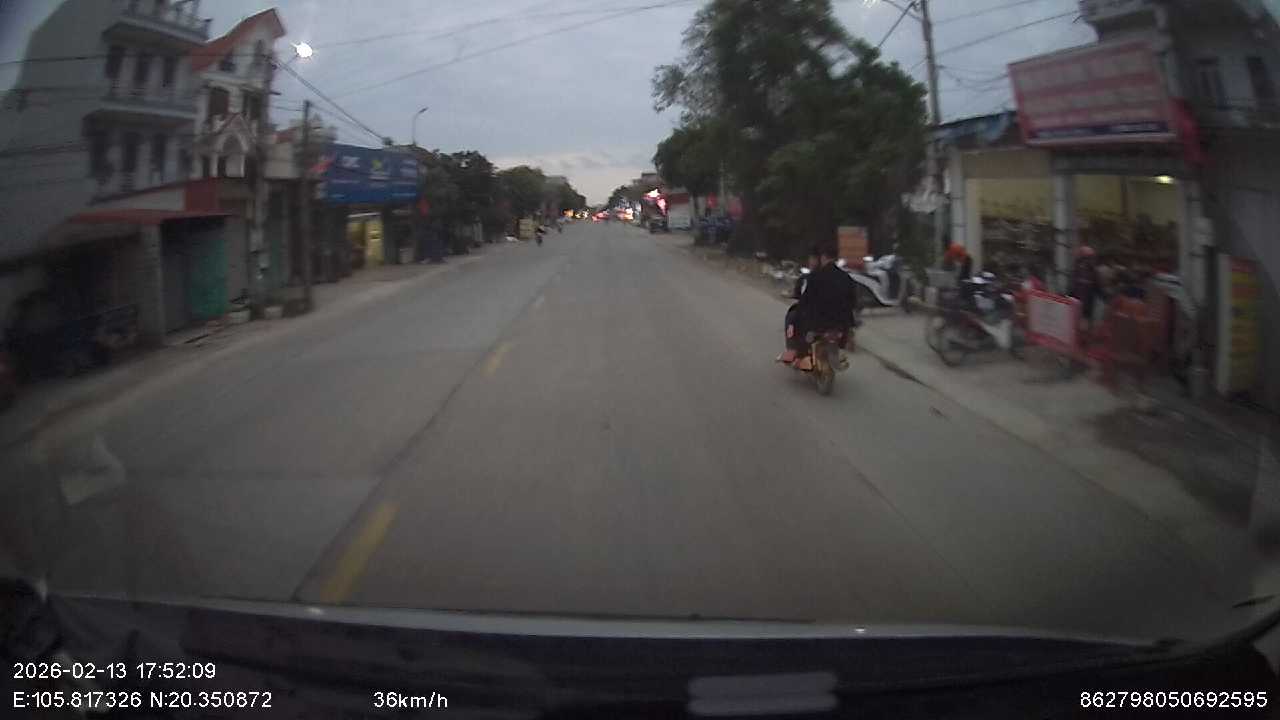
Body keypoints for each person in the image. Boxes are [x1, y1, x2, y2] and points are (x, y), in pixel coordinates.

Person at [788, 244, 859, 370]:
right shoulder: (846, 277)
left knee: (795, 321)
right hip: (841, 324)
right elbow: (853, 302)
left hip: (818, 323)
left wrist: (795, 319)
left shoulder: (815, 276)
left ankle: (799, 355)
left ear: (823, 257)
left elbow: (805, 300)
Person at [778, 248, 821, 365]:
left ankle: (792, 350)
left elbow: (800, 295)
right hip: (830, 314)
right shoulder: (833, 276)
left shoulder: (807, 278)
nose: (811, 261)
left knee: (791, 319)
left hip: (809, 312)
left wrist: (791, 295)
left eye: (813, 259)